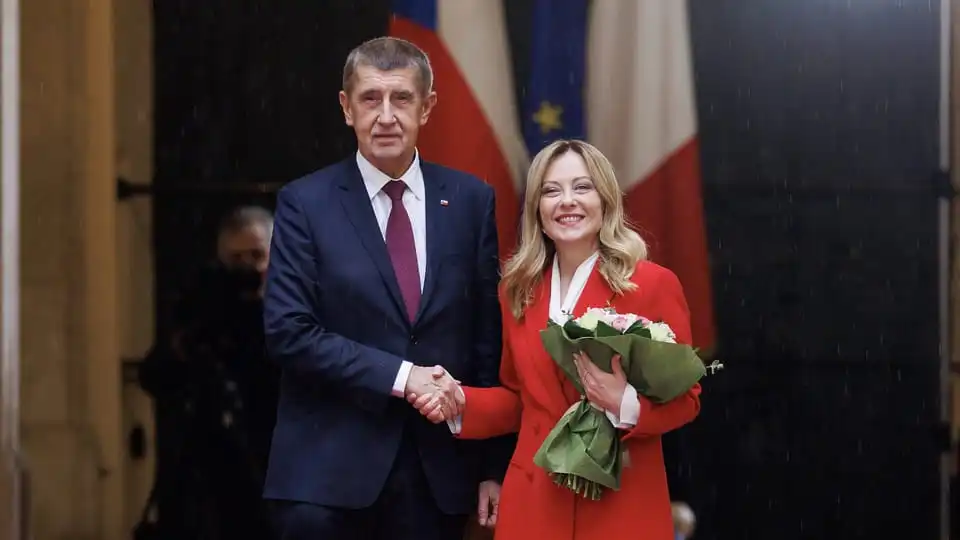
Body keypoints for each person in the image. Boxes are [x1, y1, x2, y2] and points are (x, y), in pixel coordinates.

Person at [262, 36, 507, 540]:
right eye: (371, 98)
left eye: (402, 98)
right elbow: (288, 331)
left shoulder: (469, 201)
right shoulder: (305, 203)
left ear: (427, 107)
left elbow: (487, 341)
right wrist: (403, 376)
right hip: (324, 481)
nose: (387, 115)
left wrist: (491, 467)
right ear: (346, 107)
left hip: (434, 477)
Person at [410, 139, 702, 539]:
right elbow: (519, 400)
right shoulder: (517, 291)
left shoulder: (651, 284)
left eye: (582, 188)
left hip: (620, 501)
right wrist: (461, 402)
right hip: (533, 502)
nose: (567, 201)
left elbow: (686, 400)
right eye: (551, 191)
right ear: (537, 211)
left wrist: (625, 403)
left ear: (606, 200)